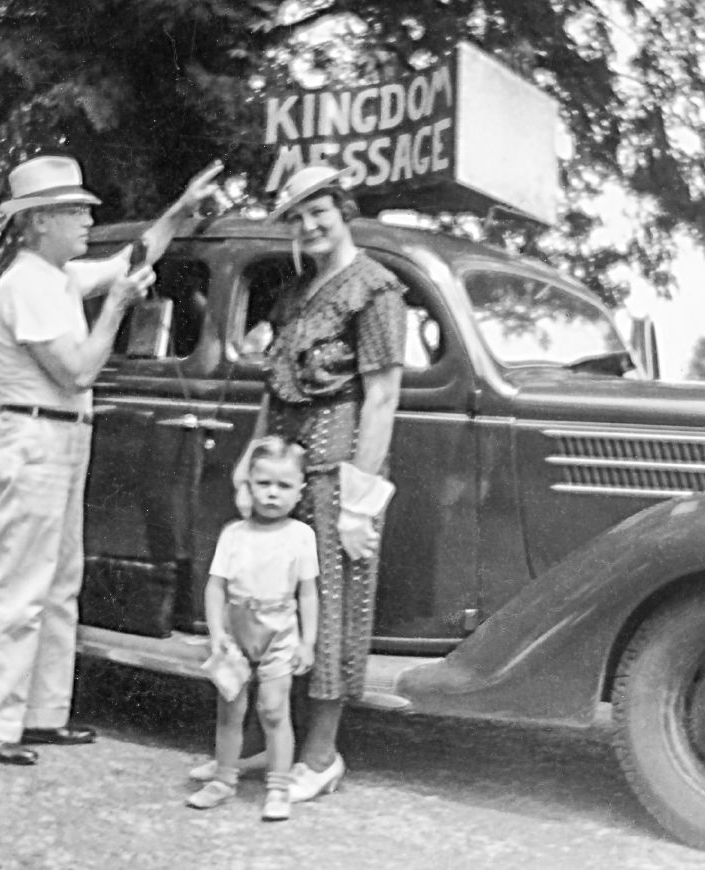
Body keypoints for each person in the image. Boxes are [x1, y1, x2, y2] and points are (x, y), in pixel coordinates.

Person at [0, 153, 223, 765]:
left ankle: (40, 714)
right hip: (36, 438)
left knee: (56, 583)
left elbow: (131, 259)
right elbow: (77, 370)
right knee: (15, 586)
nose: (86, 219)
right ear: (41, 220)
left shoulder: (56, 277)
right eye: (74, 210)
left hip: (62, 439)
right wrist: (119, 307)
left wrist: (178, 210)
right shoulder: (26, 286)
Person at [234, 164, 406, 802]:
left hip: (339, 467)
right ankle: (271, 741)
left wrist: (360, 503)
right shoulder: (299, 294)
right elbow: (274, 387)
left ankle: (322, 756)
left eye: (319, 212)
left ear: (343, 209)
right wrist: (249, 457)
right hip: (286, 465)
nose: (309, 226)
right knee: (273, 595)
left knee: (331, 606)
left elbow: (383, 396)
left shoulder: (377, 288)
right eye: (297, 217)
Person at [187, 436, 318, 820]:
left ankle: (278, 787)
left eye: (284, 486)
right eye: (264, 484)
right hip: (237, 629)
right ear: (249, 485)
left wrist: (307, 642)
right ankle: (223, 780)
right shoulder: (234, 534)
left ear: (299, 491)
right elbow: (216, 587)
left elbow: (308, 594)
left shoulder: (300, 536)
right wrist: (218, 634)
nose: (273, 494)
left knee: (274, 709)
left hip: (279, 632)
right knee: (230, 708)